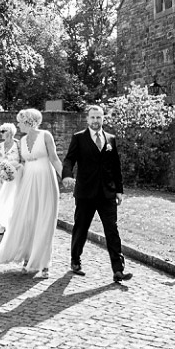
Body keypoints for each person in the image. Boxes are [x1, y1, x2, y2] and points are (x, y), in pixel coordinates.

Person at [61, 104, 130, 282]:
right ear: (87, 119)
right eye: (92, 117)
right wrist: (67, 175)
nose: (95, 120)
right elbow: (69, 159)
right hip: (85, 193)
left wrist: (119, 190)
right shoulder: (79, 138)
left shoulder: (110, 139)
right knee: (81, 228)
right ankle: (75, 260)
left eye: (98, 117)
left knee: (112, 230)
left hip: (107, 194)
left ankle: (118, 270)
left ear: (103, 118)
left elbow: (116, 167)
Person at [0, 108, 62, 278]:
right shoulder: (23, 140)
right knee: (28, 218)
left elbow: (54, 158)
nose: (18, 125)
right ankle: (28, 257)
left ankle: (44, 263)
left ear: (28, 121)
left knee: (45, 219)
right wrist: (11, 171)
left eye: (20, 121)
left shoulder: (46, 135)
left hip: (46, 179)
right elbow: (23, 163)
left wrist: (67, 177)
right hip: (28, 180)